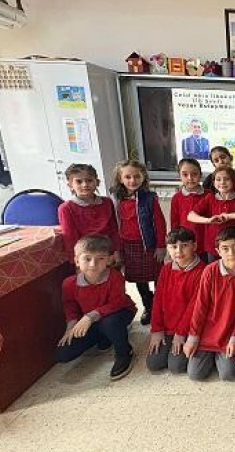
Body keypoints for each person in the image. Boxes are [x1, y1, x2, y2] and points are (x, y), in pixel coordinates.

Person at [55, 235, 136, 380]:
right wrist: (71, 326)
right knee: (63, 353)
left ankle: (125, 352)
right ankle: (105, 336)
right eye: (87, 259)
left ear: (109, 260)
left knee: (109, 323)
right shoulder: (69, 283)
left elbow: (117, 302)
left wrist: (90, 316)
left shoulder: (115, 277)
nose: (93, 264)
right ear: (77, 261)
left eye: (100, 258)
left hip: (119, 313)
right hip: (93, 320)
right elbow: (70, 305)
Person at [183, 227, 235, 381]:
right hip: (208, 331)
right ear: (218, 251)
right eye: (225, 248)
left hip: (232, 332)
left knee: (229, 374)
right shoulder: (210, 271)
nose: (231, 253)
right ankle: (211, 355)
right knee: (195, 374)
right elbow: (200, 306)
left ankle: (220, 357)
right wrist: (193, 337)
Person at [110, 160, 167, 326]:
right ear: (120, 178)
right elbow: (113, 225)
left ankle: (160, 307)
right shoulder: (114, 198)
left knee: (158, 277)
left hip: (149, 245)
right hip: (128, 247)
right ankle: (148, 306)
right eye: (127, 177)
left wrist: (161, 246)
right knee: (139, 279)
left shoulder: (149, 198)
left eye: (137, 176)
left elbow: (160, 223)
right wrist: (117, 249)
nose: (132, 180)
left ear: (143, 177)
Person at [146, 227, 206, 374]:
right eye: (173, 247)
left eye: (184, 245)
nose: (179, 251)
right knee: (154, 363)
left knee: (176, 366)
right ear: (168, 248)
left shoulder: (203, 271)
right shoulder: (166, 269)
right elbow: (157, 300)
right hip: (167, 327)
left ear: (194, 246)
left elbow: (194, 307)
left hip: (188, 329)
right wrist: (157, 330)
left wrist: (180, 334)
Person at [188, 165, 235, 262]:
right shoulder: (210, 198)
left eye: (226, 179)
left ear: (233, 181)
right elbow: (190, 216)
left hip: (234, 247)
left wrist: (228, 216)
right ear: (213, 182)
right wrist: (208, 220)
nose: (222, 182)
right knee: (214, 269)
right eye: (218, 179)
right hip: (213, 246)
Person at [58, 163, 121, 265]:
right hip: (86, 258)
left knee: (112, 275)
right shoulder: (66, 208)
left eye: (89, 180)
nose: (85, 184)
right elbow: (69, 238)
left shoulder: (107, 202)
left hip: (108, 254)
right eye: (79, 181)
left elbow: (114, 229)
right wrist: (75, 262)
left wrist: (117, 251)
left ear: (97, 182)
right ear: (70, 185)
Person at [169, 158, 206, 258]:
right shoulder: (177, 198)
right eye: (185, 174)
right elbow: (174, 223)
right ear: (179, 176)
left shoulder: (209, 195)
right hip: (185, 245)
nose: (190, 178)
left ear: (200, 175)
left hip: (205, 244)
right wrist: (175, 245)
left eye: (194, 174)